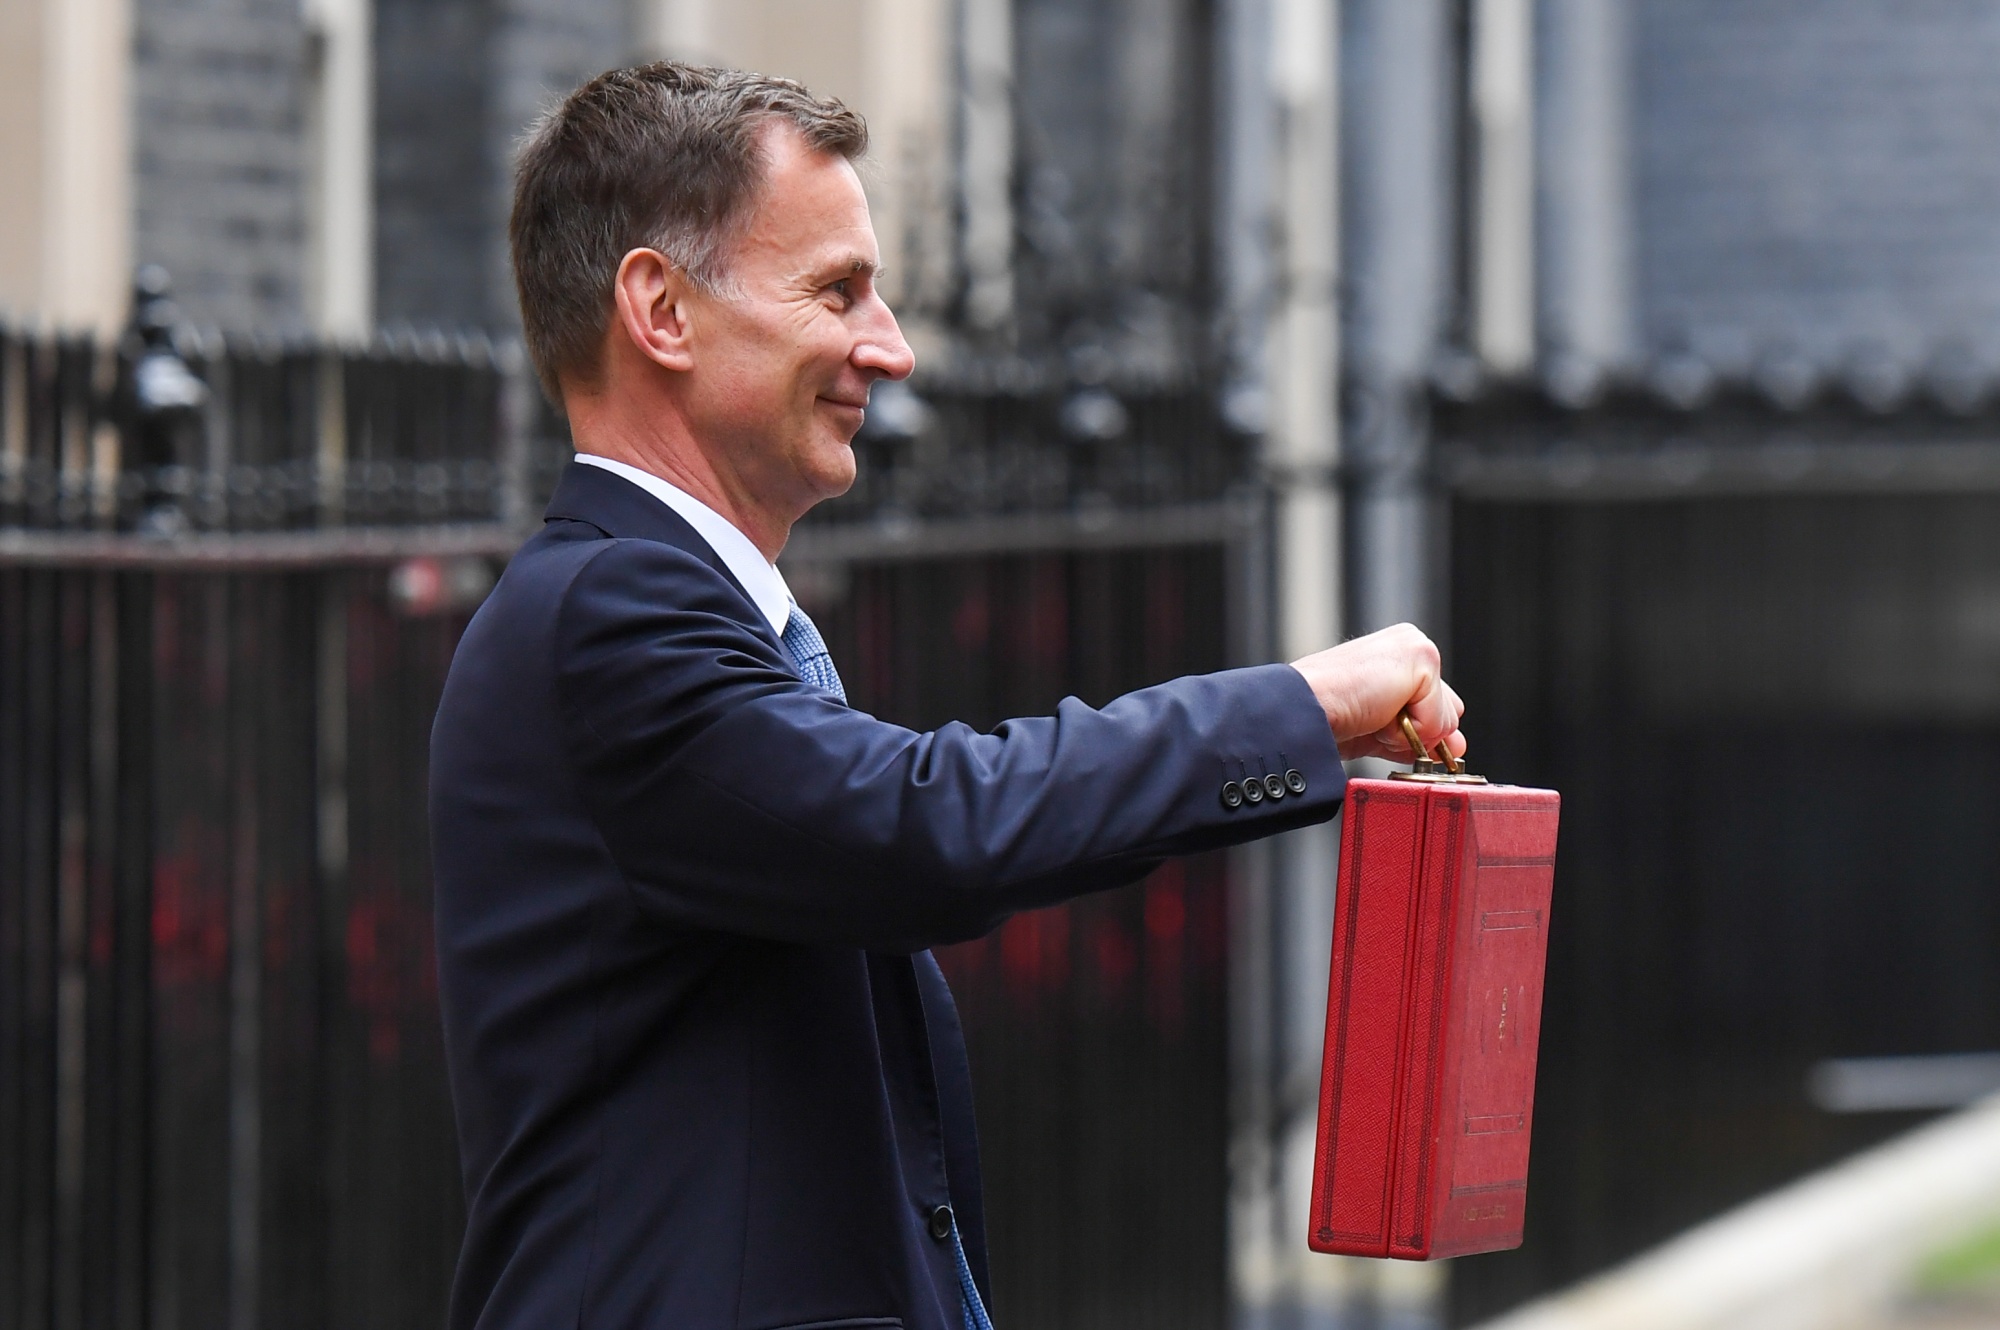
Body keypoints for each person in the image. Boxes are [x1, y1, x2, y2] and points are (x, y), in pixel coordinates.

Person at [429, 62, 1466, 1330]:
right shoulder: (608, 612)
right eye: (836, 291)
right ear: (661, 309)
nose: (892, 347)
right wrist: (1297, 705)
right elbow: (926, 828)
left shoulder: (667, 606)